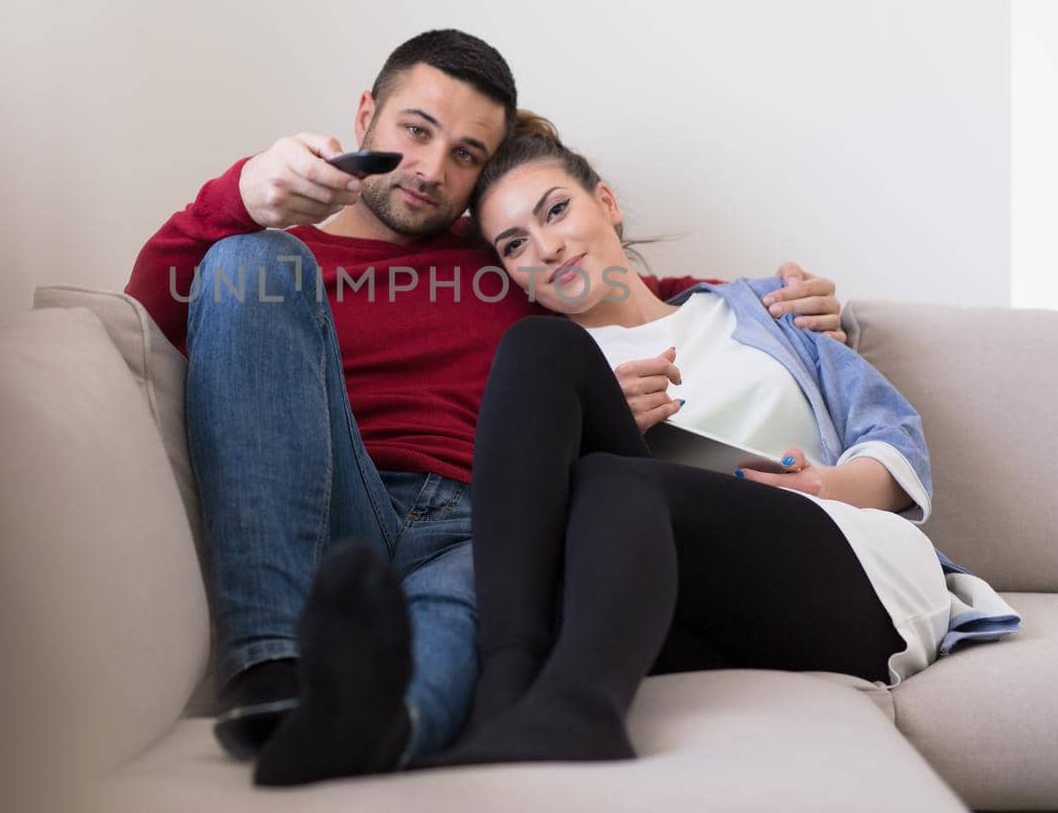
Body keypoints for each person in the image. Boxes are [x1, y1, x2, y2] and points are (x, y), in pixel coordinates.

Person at [125, 31, 848, 785]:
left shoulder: (509, 255)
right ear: (367, 112)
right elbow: (146, 310)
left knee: (468, 610)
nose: (432, 170)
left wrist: (780, 303)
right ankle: (274, 669)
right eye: (416, 131)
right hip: (338, 498)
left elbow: (637, 294)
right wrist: (240, 197)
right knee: (248, 261)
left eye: (467, 154)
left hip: (486, 519)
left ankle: (376, 728)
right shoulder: (290, 260)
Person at [393, 113, 1020, 766]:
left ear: (606, 202)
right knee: (550, 370)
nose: (545, 248)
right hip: (678, 596)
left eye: (556, 210)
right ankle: (515, 691)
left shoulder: (761, 306)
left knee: (617, 475)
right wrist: (596, 429)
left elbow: (892, 436)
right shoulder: (553, 379)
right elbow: (539, 525)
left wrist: (823, 483)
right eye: (513, 244)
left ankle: (557, 707)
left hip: (843, 564)